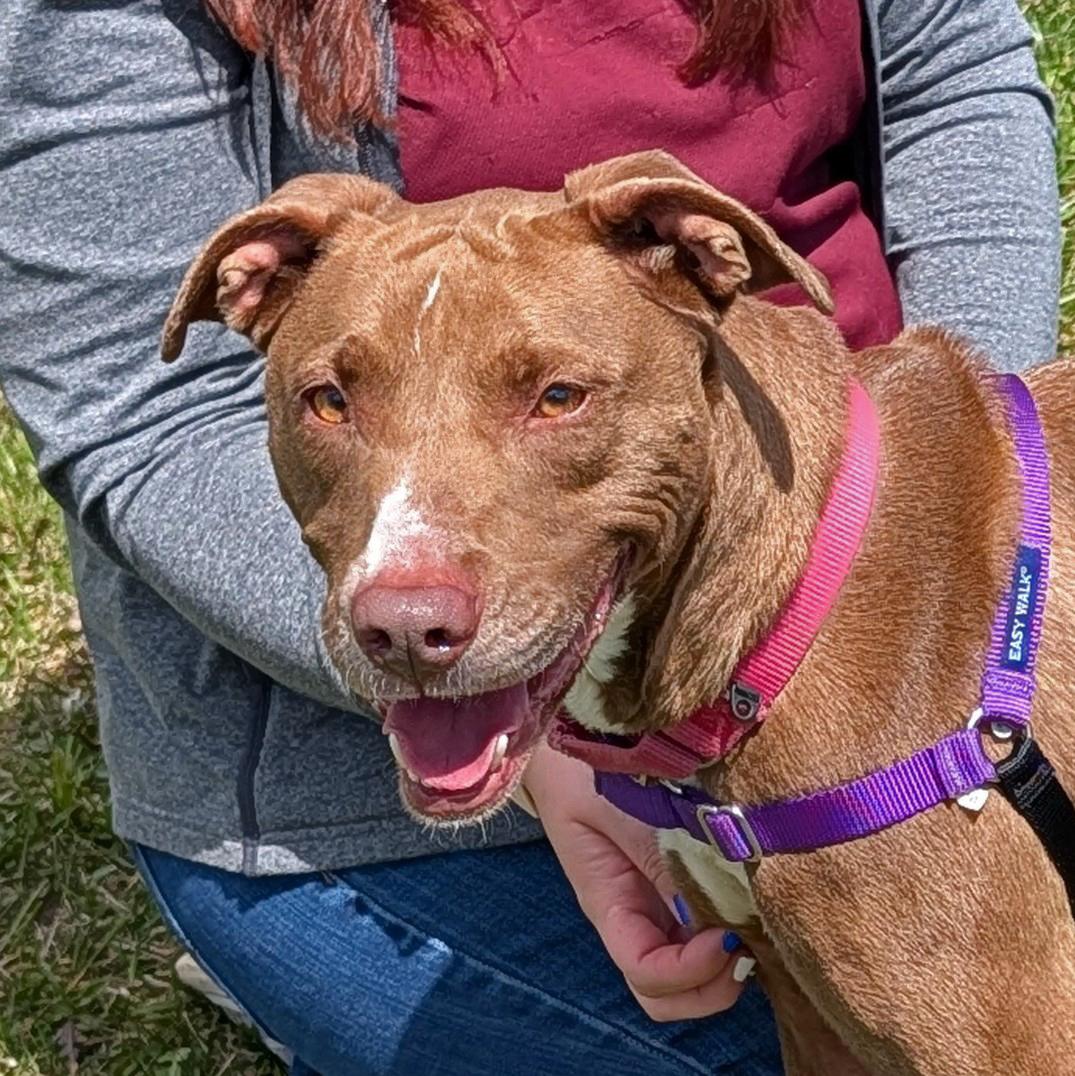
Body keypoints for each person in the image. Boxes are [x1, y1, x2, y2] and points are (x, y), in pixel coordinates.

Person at [0, 1, 1060, 1072]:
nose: (410, 573)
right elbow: (140, 405)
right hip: (341, 782)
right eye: (331, 401)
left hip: (814, 511)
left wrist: (971, 507)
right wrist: (555, 736)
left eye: (552, 395)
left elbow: (948, 71)